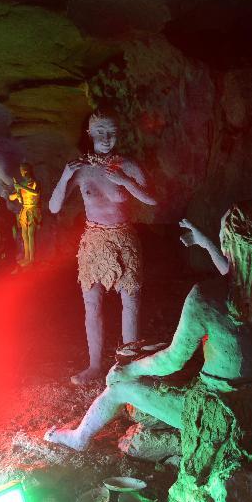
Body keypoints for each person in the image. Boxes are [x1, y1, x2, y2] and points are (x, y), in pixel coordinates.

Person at [44, 201, 252, 451]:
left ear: (227, 243)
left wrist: (129, 371)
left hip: (216, 415)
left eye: (221, 235)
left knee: (119, 387)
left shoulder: (205, 296)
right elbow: (237, 277)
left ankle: (79, 438)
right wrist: (205, 243)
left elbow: (173, 361)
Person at [49, 111, 157, 384]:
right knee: (92, 303)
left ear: (119, 132)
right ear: (89, 134)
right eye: (99, 132)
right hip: (94, 240)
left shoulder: (127, 166)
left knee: (130, 301)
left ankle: (130, 365)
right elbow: (53, 207)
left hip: (123, 238)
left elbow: (152, 199)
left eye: (111, 131)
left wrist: (125, 181)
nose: (106, 138)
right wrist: (64, 177)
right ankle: (94, 365)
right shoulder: (81, 168)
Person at [9, 162, 42, 265]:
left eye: (22, 170)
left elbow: (35, 192)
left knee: (31, 234)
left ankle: (32, 259)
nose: (22, 172)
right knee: (24, 235)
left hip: (33, 209)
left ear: (26, 171)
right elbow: (11, 197)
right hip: (24, 210)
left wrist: (21, 187)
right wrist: (16, 194)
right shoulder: (21, 184)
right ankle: (26, 257)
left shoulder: (36, 182)